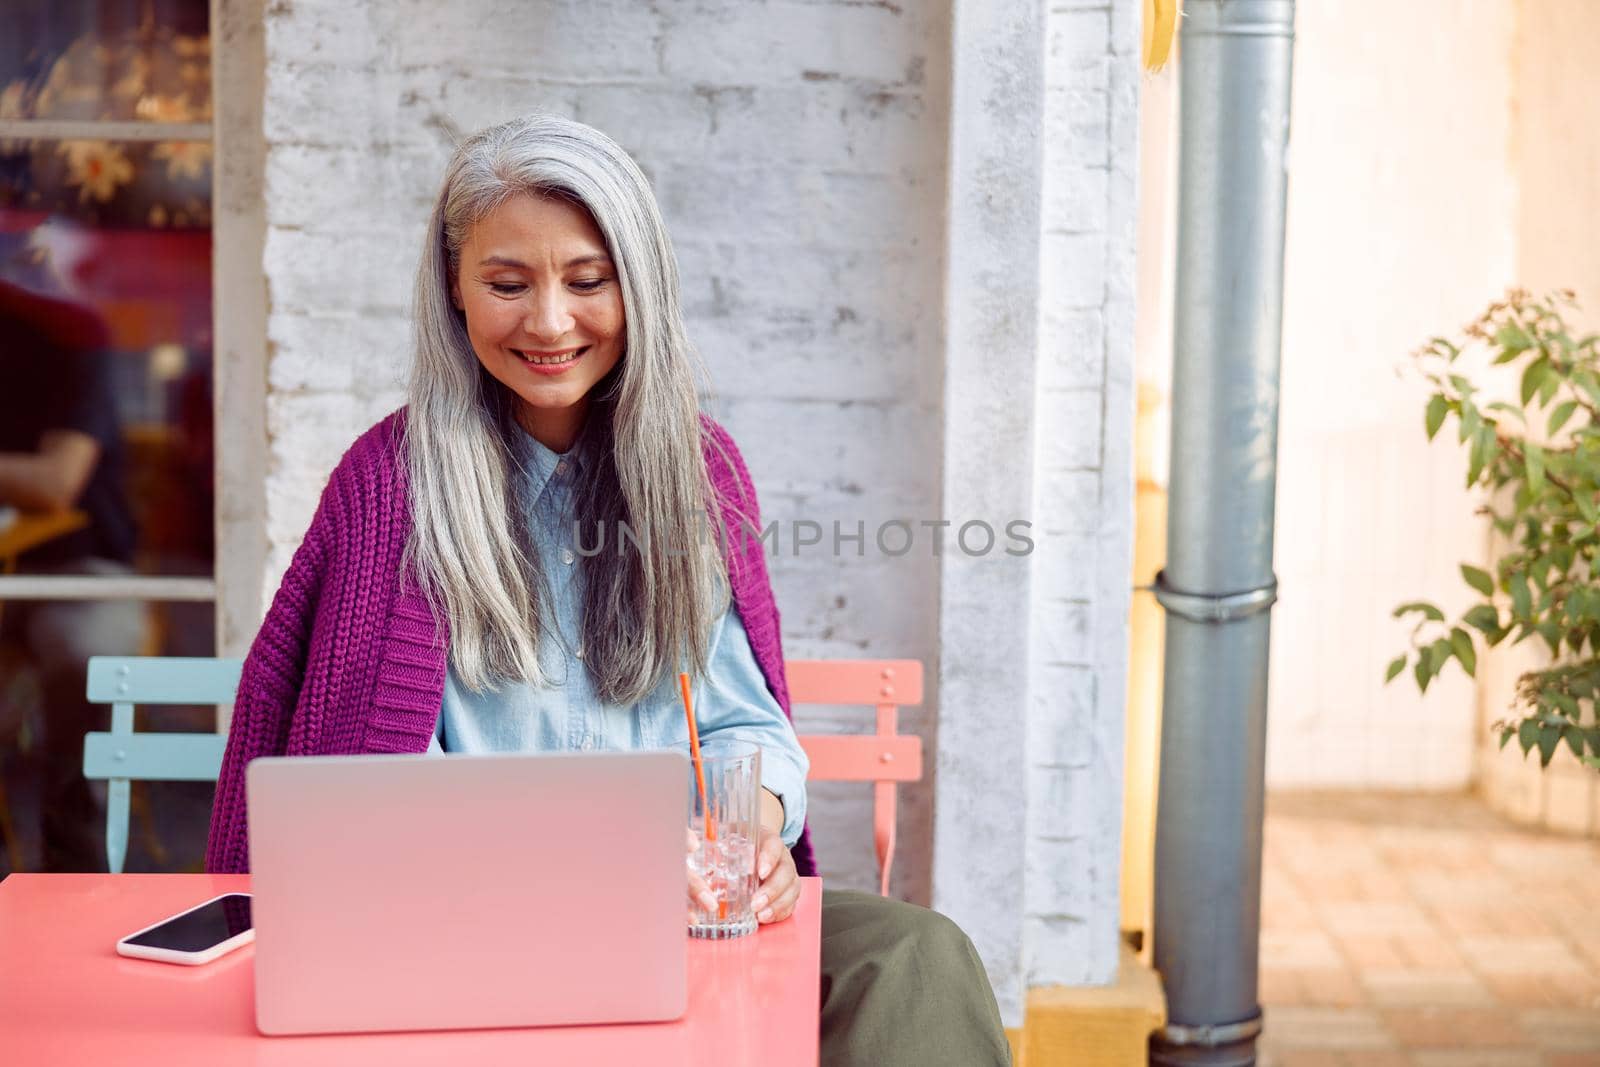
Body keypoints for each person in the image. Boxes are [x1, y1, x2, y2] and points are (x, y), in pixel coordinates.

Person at [205, 114, 1010, 1065]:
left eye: (588, 281)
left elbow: (746, 728)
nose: (549, 322)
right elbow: (359, 788)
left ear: (640, 286)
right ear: (455, 292)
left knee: (918, 957)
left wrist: (749, 840)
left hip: (673, 911)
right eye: (507, 283)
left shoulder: (699, 475)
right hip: (462, 925)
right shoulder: (393, 485)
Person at [0, 276, 145, 872]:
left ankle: (77, 855)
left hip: (79, 565)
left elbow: (58, 480)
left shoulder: (65, 335)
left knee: (92, 654)